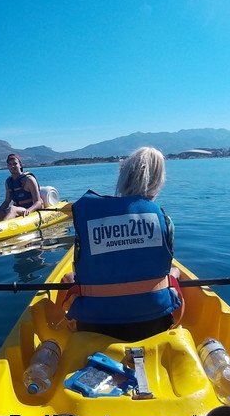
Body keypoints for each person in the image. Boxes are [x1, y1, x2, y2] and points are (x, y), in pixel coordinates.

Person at [62, 147, 181, 342]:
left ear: (123, 175)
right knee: (174, 272)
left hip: (94, 325)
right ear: (158, 180)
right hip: (153, 322)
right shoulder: (164, 220)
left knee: (69, 276)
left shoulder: (90, 216)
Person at [0, 153, 43, 220]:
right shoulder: (8, 182)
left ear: (20, 165)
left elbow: (38, 202)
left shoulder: (29, 180)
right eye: (10, 164)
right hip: (17, 209)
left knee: (12, 209)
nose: (12, 166)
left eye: (15, 164)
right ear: (8, 166)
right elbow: (7, 201)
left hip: (29, 209)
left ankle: (2, 227)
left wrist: (29, 211)